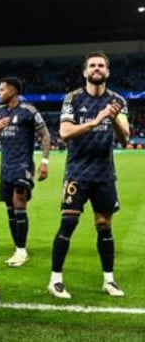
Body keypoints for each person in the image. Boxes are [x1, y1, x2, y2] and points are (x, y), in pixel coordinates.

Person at [48, 51, 129, 299]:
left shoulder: (117, 100)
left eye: (101, 65)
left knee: (104, 226)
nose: (97, 69)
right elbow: (64, 132)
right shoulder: (72, 98)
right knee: (68, 223)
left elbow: (125, 138)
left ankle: (109, 280)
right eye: (92, 65)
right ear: (85, 72)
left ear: (107, 71)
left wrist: (113, 118)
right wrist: (96, 121)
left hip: (104, 174)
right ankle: (55, 280)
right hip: (77, 172)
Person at [0, 77, 51, 268]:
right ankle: (18, 248)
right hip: (5, 166)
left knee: (19, 202)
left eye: (1, 90)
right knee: (10, 209)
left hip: (23, 165)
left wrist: (44, 162)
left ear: (12, 91)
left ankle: (22, 251)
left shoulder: (28, 111)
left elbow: (45, 135)